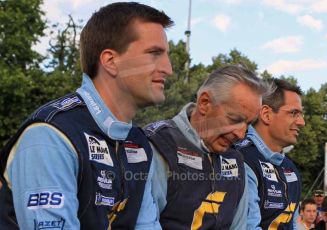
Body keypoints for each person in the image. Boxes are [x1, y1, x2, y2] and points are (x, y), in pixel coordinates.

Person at [0, 2, 173, 229]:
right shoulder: (50, 137)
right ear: (111, 61)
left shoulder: (139, 144)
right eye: (154, 54)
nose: (168, 69)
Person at [144, 65, 269, 229]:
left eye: (249, 124)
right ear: (204, 103)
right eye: (234, 119)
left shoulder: (235, 159)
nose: (241, 134)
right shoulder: (157, 145)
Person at [236, 78, 305, 229]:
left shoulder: (290, 167)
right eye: (294, 113)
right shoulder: (241, 159)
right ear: (266, 114)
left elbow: (294, 224)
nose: (302, 122)